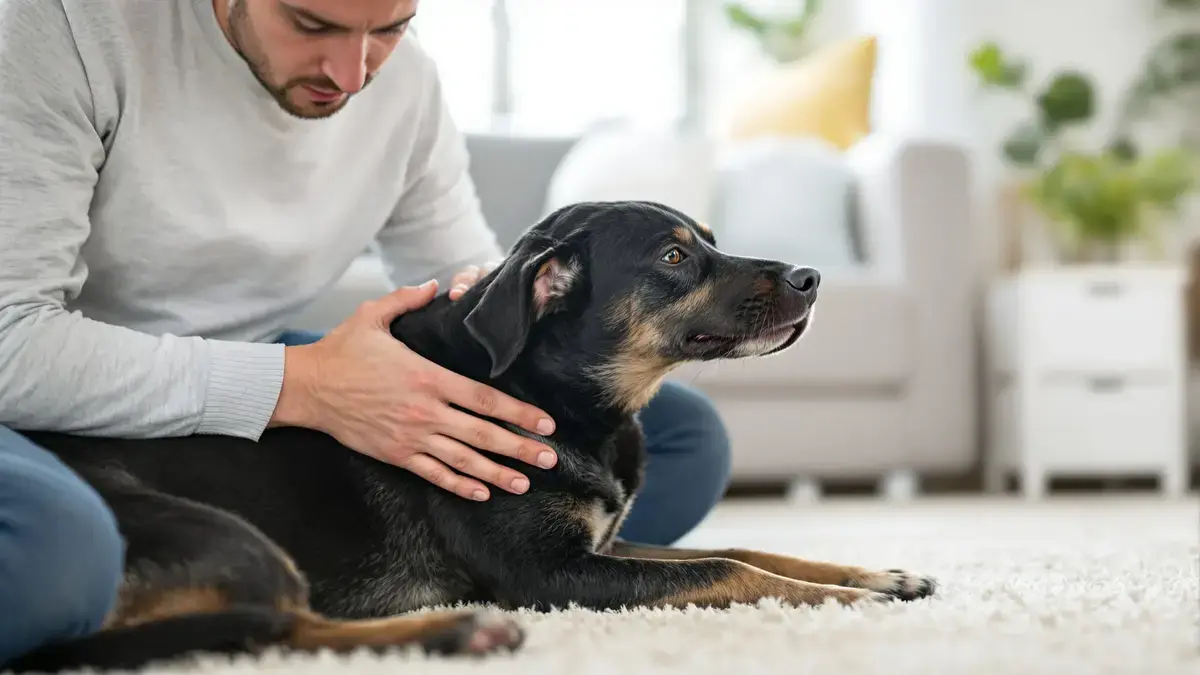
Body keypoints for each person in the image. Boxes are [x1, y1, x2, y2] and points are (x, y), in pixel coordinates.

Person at [0, 0, 732, 666]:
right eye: (310, 24)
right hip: (45, 401)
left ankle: (454, 559)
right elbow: (11, 344)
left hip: (258, 353)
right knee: (59, 557)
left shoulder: (403, 82)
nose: (352, 75)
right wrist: (302, 387)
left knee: (678, 436)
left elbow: (466, 289)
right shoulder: (62, 30)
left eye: (390, 28)